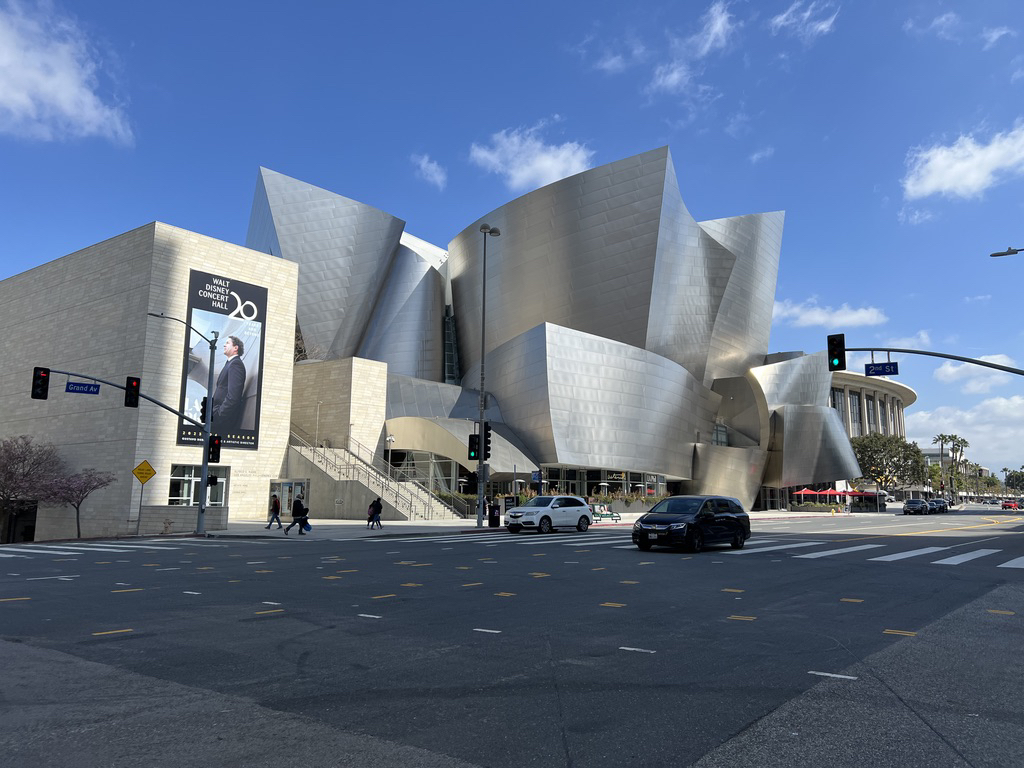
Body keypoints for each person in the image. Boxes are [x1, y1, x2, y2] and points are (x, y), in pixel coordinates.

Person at [211, 335, 247, 435]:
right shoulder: (230, 363)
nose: (224, 345)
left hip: (223, 421)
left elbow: (233, 396)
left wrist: (219, 414)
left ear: (236, 348)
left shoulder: (236, 364)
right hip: (217, 417)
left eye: (227, 343)